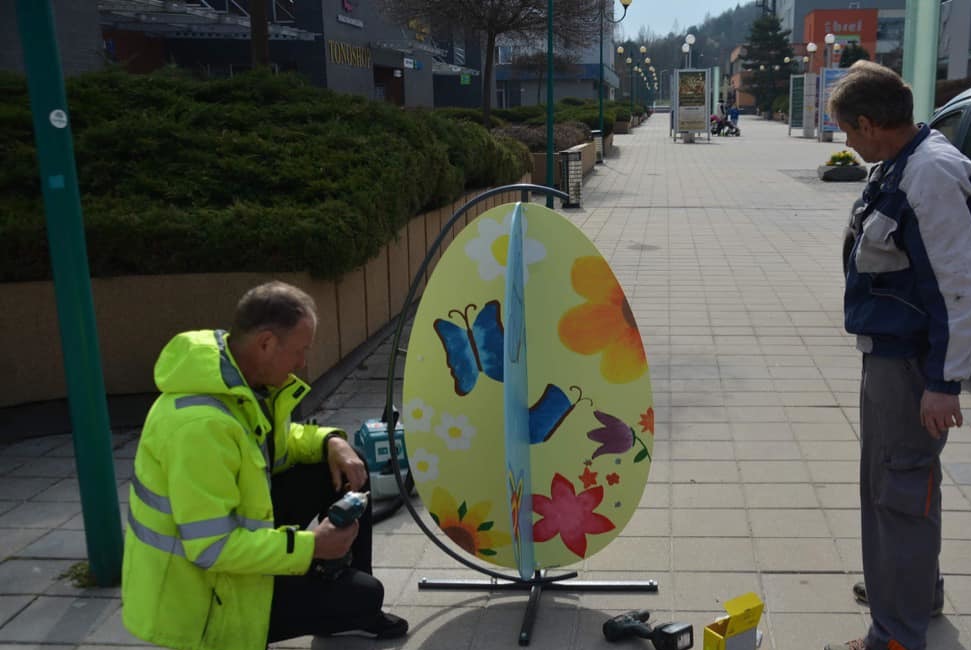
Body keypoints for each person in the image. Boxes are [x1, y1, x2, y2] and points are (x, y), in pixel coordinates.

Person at [121, 281, 408, 650]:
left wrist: (331, 441)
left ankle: (341, 598)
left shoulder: (237, 384)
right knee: (364, 596)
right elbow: (212, 549)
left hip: (223, 568)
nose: (303, 364)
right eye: (299, 352)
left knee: (346, 468)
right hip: (204, 603)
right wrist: (311, 547)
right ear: (266, 344)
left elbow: (280, 445)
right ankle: (345, 604)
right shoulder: (200, 429)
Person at [827, 61, 971, 650]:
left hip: (911, 366)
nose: (846, 143)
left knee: (900, 488)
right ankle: (908, 590)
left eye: (847, 132)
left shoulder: (928, 174)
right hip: (892, 356)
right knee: (898, 483)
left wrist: (943, 381)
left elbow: (955, 284)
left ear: (868, 123)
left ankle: (897, 632)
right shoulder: (905, 162)